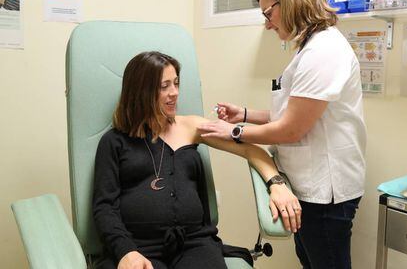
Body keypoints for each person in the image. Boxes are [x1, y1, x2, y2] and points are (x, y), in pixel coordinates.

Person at [198, 0, 366, 269]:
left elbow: (291, 130)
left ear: (287, 2)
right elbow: (293, 113)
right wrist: (245, 114)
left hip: (325, 191)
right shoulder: (309, 49)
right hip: (307, 183)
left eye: (267, 13)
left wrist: (234, 131)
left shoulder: (324, 52)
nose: (266, 24)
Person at [92, 51, 301, 269]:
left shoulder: (191, 127)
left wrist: (277, 185)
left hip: (193, 244)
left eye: (176, 83)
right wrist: (126, 251)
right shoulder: (114, 142)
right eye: (164, 86)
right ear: (141, 91)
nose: (174, 93)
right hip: (138, 246)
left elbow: (251, 150)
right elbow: (104, 207)